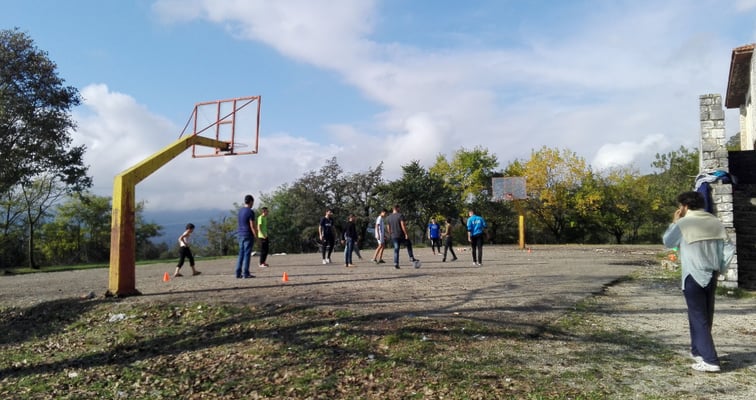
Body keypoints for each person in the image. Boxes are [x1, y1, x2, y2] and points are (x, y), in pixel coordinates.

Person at [663, 191, 729, 373]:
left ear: (684, 206)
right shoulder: (715, 221)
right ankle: (697, 351)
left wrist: (674, 222)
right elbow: (728, 248)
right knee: (704, 315)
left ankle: (710, 360)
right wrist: (721, 267)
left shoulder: (684, 223)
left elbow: (668, 242)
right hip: (712, 273)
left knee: (698, 316)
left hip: (692, 274)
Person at [385, 204, 419, 269]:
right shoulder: (400, 215)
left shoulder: (388, 217)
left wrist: (390, 234)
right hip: (401, 235)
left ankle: (396, 263)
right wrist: (406, 234)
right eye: (399, 208)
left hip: (394, 235)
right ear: (397, 208)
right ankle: (411, 257)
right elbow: (403, 225)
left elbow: (388, 228)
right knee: (408, 244)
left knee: (396, 249)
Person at [235, 194, 258, 279]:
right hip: (248, 234)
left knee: (241, 253)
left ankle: (238, 273)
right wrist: (256, 236)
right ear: (251, 202)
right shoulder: (250, 212)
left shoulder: (240, 211)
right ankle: (246, 273)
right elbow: (252, 225)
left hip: (240, 234)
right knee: (247, 254)